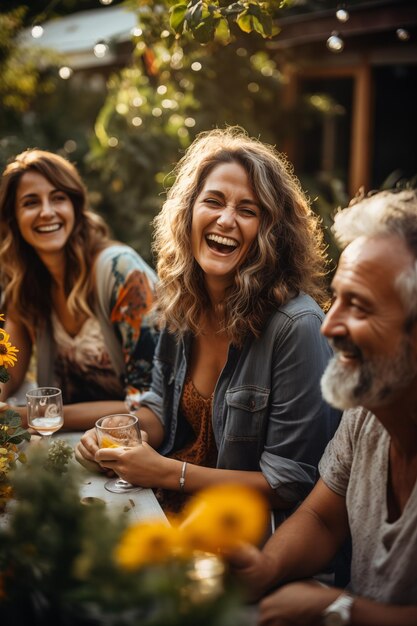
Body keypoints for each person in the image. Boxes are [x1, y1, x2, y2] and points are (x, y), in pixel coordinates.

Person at [76, 126, 340, 522]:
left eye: (248, 210)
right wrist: (120, 440)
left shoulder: (296, 327)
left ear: (273, 232)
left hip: (239, 538)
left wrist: (168, 472)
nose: (226, 219)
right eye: (213, 201)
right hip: (161, 509)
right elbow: (159, 410)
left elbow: (290, 483)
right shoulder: (180, 300)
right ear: (188, 212)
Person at [228, 188, 417, 625]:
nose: (329, 326)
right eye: (338, 299)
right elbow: (321, 517)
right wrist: (267, 567)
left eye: (360, 307)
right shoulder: (368, 409)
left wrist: (337, 609)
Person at [0, 149, 157, 430]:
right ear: (13, 217)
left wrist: (33, 416)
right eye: (30, 202)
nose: (47, 212)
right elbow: (6, 374)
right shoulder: (26, 286)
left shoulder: (121, 271)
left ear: (75, 205)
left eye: (58, 198)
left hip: (141, 447)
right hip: (65, 449)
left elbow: (148, 405)